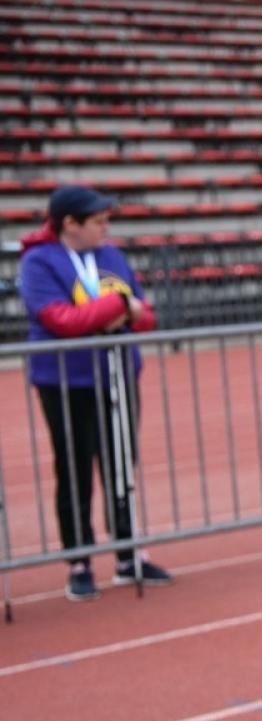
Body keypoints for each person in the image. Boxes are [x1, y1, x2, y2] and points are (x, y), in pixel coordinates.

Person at [18, 184, 174, 602]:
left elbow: (146, 317)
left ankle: (127, 555)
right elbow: (62, 321)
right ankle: (80, 560)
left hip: (118, 376)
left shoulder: (112, 257)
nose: (107, 228)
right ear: (70, 223)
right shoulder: (38, 262)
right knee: (74, 469)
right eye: (98, 222)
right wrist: (119, 306)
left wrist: (119, 312)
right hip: (66, 382)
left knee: (122, 466)